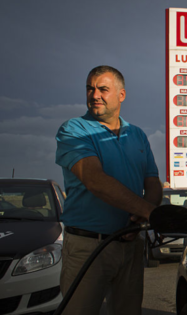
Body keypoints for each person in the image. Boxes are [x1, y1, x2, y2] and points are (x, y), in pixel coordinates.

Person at [55, 65, 162, 315]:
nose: (94, 95)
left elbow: (153, 182)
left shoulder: (137, 135)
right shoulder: (73, 129)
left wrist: (138, 218)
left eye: (103, 89)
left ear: (121, 95)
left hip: (132, 243)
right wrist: (151, 213)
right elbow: (95, 180)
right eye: (90, 89)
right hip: (88, 246)